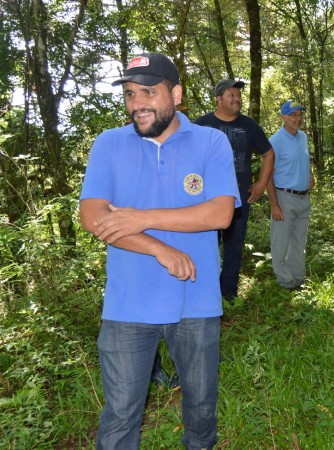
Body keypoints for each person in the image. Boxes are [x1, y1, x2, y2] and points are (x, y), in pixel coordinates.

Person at [79, 53, 240, 450]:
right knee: (119, 416)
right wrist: (157, 248)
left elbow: (220, 213)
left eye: (148, 92)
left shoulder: (211, 141)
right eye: (131, 94)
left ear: (177, 94)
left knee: (201, 409)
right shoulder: (110, 144)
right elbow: (93, 217)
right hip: (127, 304)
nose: (137, 103)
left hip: (197, 299)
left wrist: (138, 217)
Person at [194, 80, 275, 299]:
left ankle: (227, 296)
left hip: (238, 199)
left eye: (239, 95)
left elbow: (268, 153)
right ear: (218, 99)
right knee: (205, 248)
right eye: (231, 95)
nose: (237, 99)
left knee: (233, 248)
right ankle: (204, 295)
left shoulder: (249, 126)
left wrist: (261, 183)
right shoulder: (201, 125)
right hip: (204, 199)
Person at [266, 101, 314, 290]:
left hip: (303, 198)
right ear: (283, 117)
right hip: (284, 198)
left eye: (300, 114)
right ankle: (285, 281)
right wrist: (274, 205)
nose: (298, 118)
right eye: (293, 114)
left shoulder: (302, 136)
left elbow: (305, 159)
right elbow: (268, 175)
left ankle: (298, 278)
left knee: (299, 241)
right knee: (281, 243)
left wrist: (310, 175)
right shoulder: (275, 141)